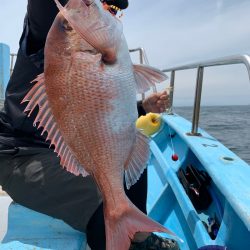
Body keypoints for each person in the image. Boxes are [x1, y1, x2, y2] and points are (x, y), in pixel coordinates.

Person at [0, 0, 178, 249]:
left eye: (115, 10)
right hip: (22, 155)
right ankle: (130, 238)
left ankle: (138, 229)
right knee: (101, 199)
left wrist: (142, 107)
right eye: (102, 4)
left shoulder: (98, 48)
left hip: (70, 147)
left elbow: (94, 112)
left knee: (132, 158)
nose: (109, 13)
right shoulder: (55, 29)